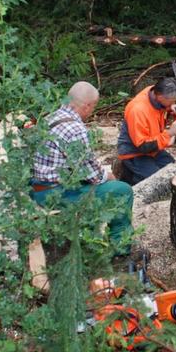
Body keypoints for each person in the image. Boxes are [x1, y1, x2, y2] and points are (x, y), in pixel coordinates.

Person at [30, 81, 134, 251]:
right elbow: (91, 173)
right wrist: (109, 176)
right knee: (122, 190)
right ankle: (120, 248)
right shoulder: (75, 128)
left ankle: (91, 238)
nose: (92, 112)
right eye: (93, 107)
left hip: (37, 187)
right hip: (54, 194)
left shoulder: (51, 117)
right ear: (87, 106)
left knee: (96, 187)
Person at [116, 77, 176, 185]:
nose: (173, 103)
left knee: (173, 170)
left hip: (154, 149)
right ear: (160, 97)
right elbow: (143, 146)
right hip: (135, 153)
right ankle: (131, 178)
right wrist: (169, 133)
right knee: (157, 182)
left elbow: (156, 111)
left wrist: (169, 108)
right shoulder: (138, 110)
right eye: (171, 101)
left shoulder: (154, 93)